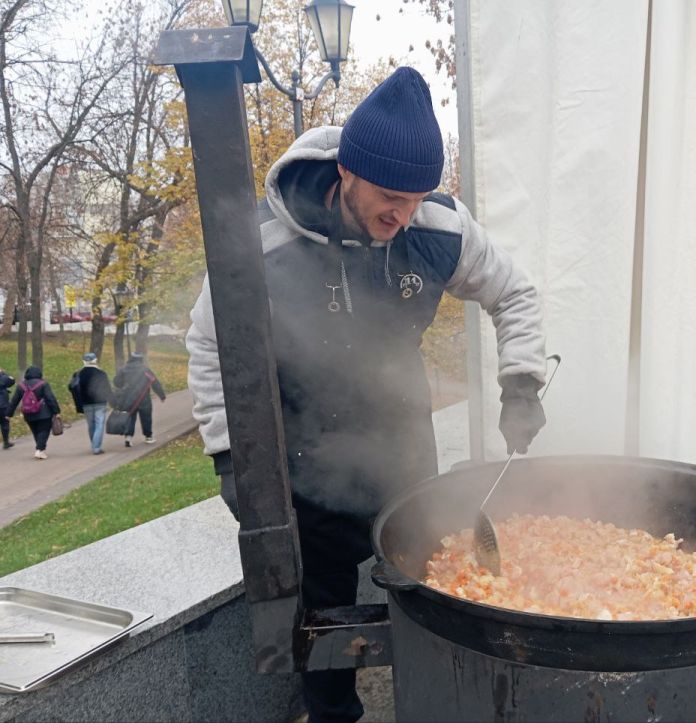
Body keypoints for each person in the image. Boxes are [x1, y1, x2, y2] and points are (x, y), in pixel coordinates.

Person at [186, 66, 547, 722]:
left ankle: (433, 701)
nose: (401, 214)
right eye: (388, 195)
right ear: (346, 172)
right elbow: (211, 344)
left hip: (403, 446)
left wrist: (521, 383)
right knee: (321, 612)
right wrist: (228, 456)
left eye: (415, 197)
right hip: (306, 458)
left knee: (428, 585)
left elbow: (513, 292)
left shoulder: (440, 227)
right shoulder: (265, 243)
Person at [5, 366, 61, 460]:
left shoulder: (21, 386)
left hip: (28, 413)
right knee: (44, 430)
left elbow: (14, 400)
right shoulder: (43, 384)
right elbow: (50, 398)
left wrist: (8, 414)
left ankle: (40, 449)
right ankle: (39, 449)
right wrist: (56, 411)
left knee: (36, 431)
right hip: (44, 413)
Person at [113, 352, 166, 447]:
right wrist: (161, 395)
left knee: (130, 417)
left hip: (129, 398)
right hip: (144, 399)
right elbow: (154, 382)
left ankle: (128, 437)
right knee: (146, 418)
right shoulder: (145, 370)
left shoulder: (124, 369)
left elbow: (117, 383)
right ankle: (148, 436)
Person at [72, 352, 112, 455]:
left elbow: (72, 387)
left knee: (91, 425)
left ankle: (94, 444)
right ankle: (96, 447)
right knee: (99, 424)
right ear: (95, 360)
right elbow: (107, 389)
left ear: (84, 361)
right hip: (100, 402)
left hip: (86, 403)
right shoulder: (101, 373)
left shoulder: (79, 374)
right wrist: (112, 400)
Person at [0, 368, 15, 449]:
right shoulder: (3, 378)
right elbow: (12, 380)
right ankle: (6, 442)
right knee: (5, 423)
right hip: (2, 405)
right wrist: (2, 373)